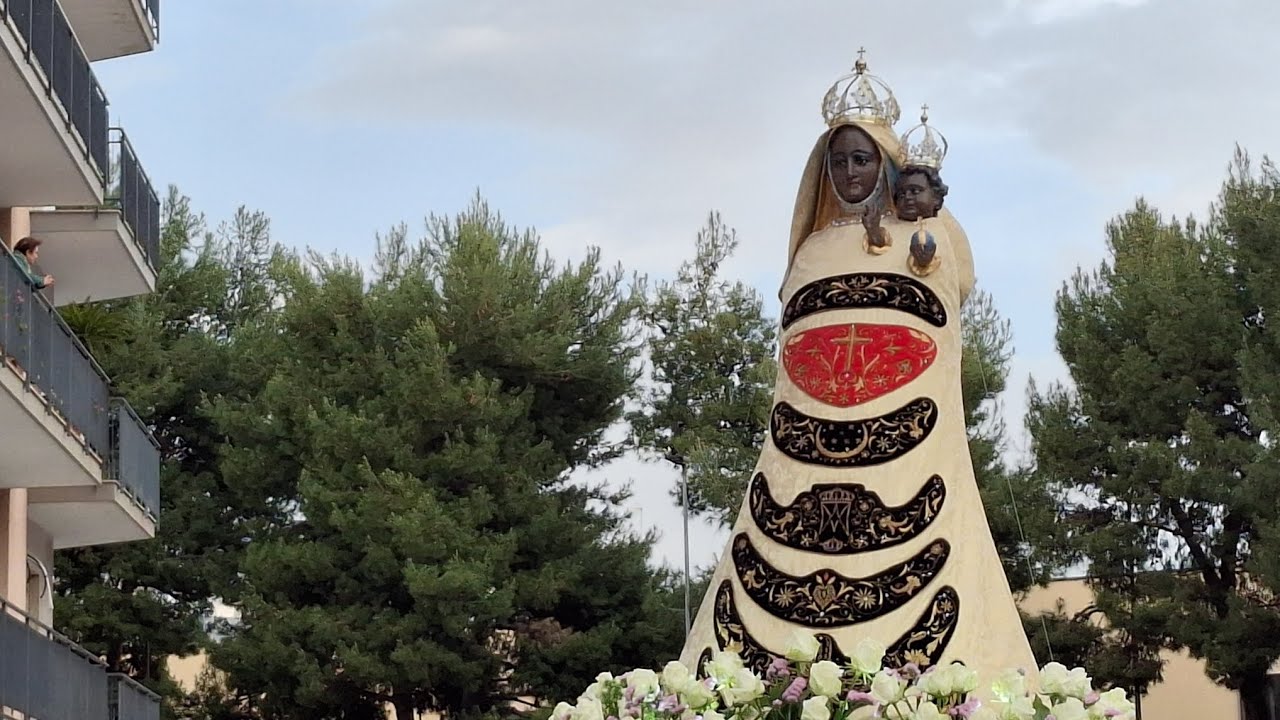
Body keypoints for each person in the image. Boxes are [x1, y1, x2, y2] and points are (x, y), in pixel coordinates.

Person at [893, 164, 948, 275]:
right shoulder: (890, 230)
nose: (907, 197)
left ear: (936, 198)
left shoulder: (945, 233)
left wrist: (926, 263)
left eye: (915, 191)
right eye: (902, 193)